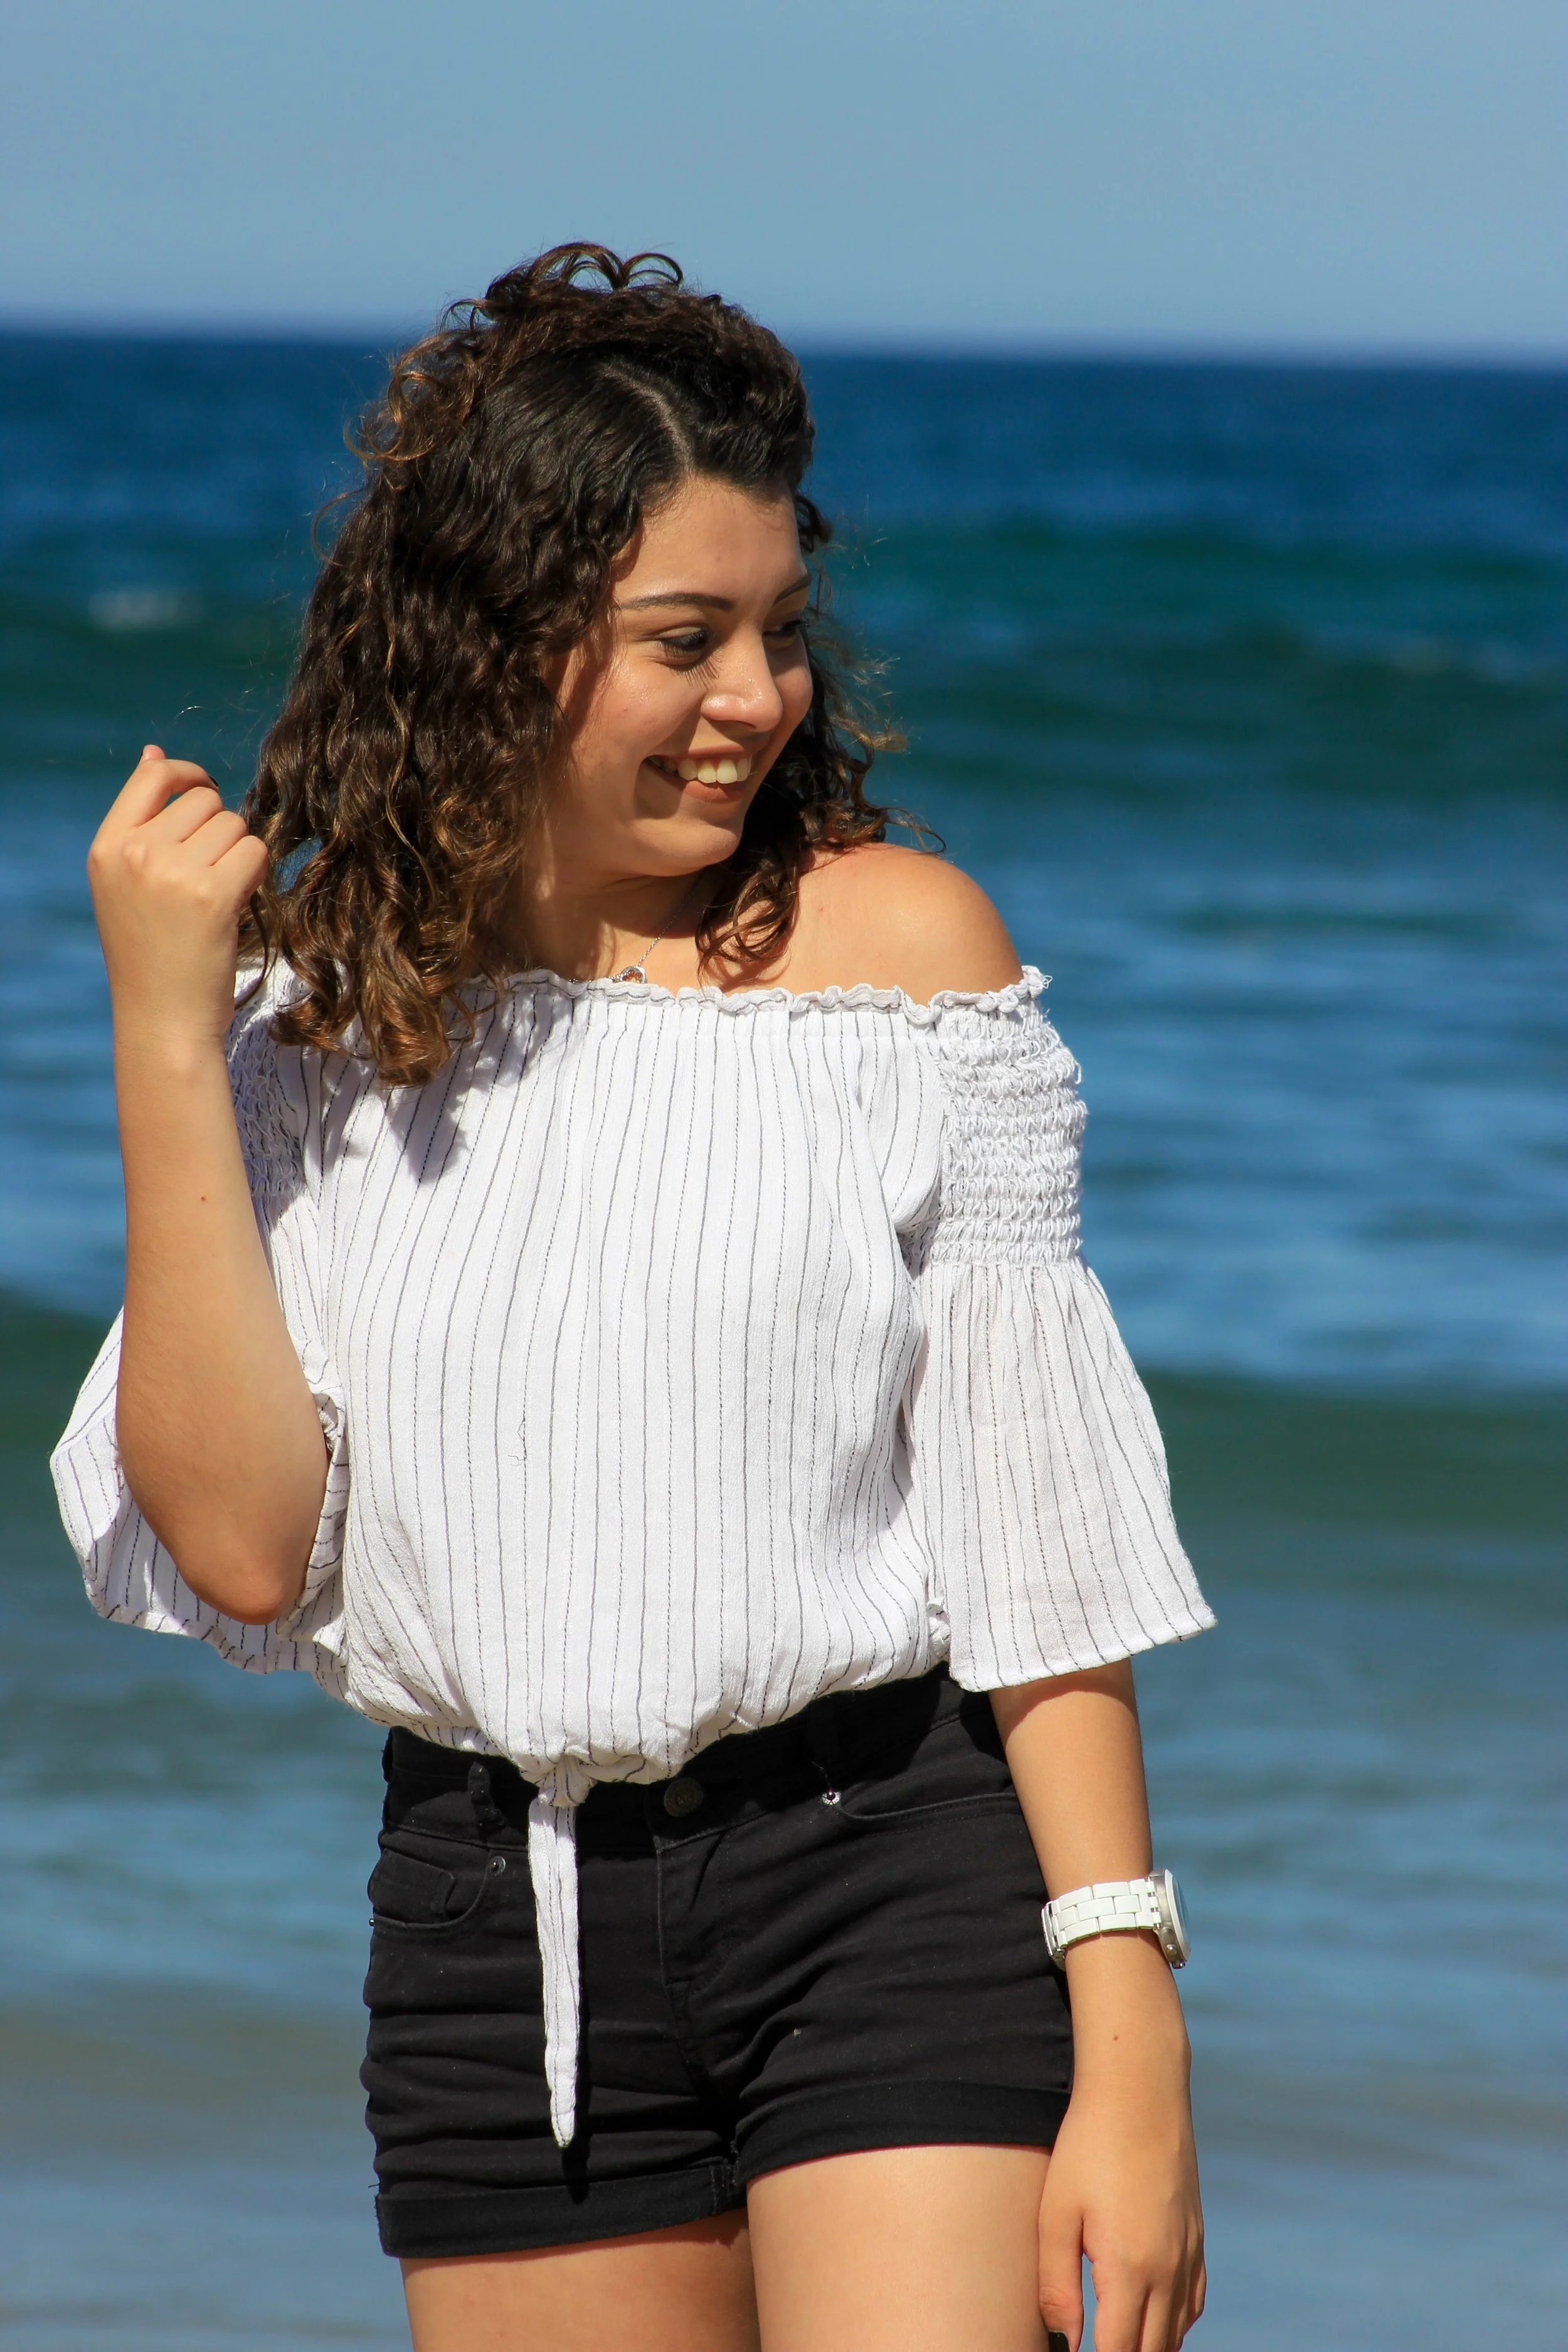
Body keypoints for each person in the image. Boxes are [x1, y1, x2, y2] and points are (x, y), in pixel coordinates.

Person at [51, 246, 1214, 2352]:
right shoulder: (316, 1031)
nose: (757, 696)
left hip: (892, 1872)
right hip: (496, 1927)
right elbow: (234, 1536)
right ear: (495, 647)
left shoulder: (904, 959)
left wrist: (1126, 2022)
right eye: (686, 638)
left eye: (777, 630)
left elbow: (1038, 1532)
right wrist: (165, 1027)